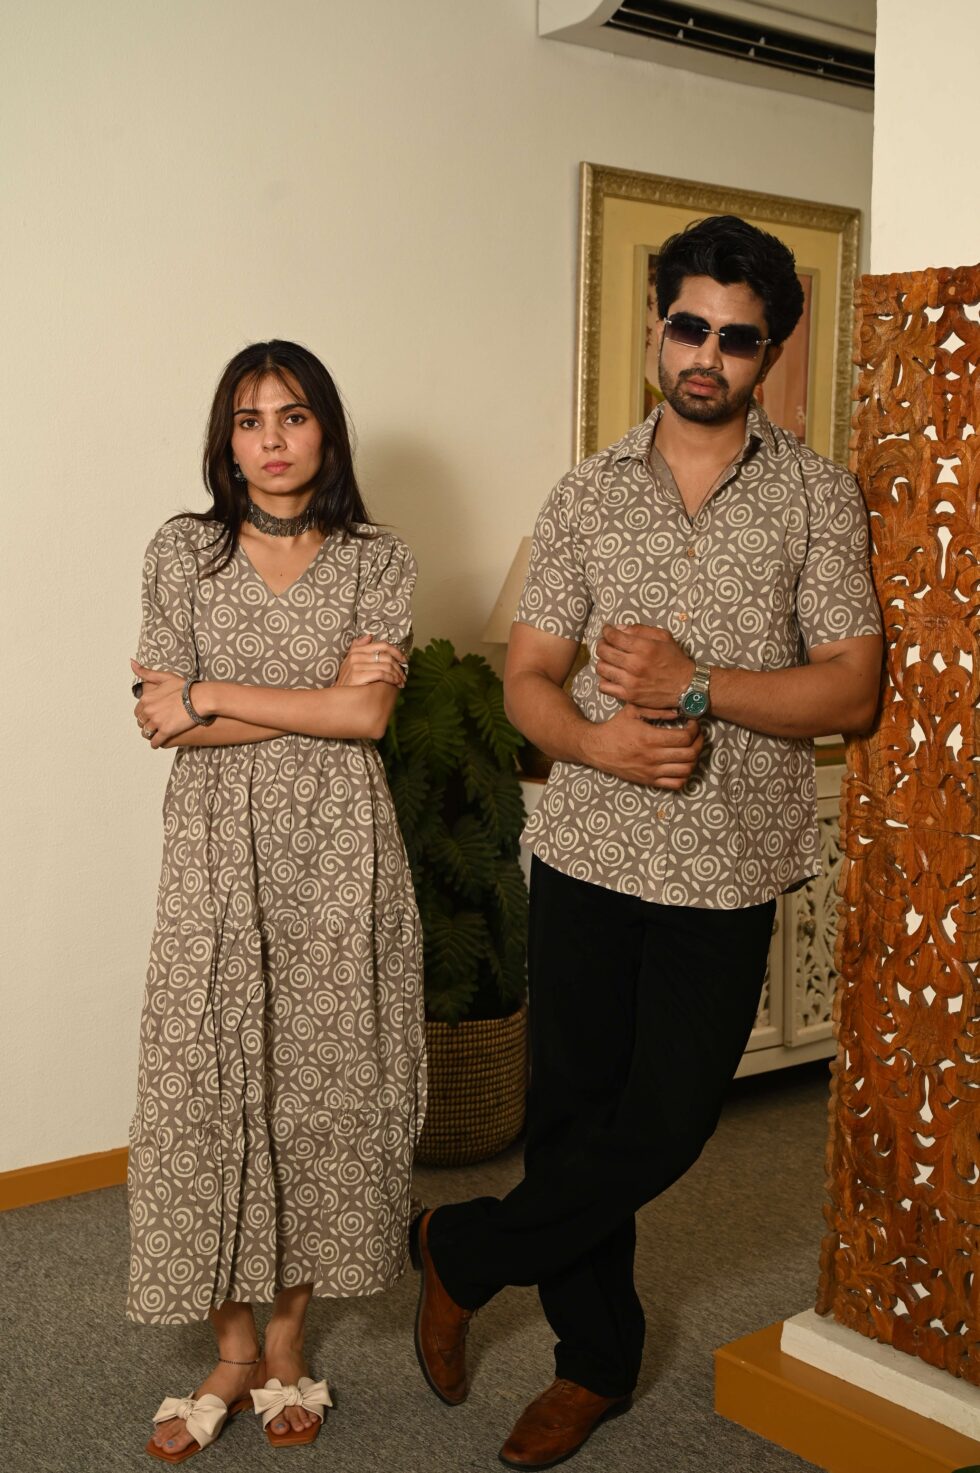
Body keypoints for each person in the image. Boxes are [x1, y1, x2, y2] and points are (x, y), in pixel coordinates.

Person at [410, 215, 883, 1468]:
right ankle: (593, 1366)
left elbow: (848, 692)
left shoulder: (815, 496)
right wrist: (593, 743)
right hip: (586, 854)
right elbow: (527, 676)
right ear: (655, 330)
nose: (706, 356)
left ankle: (462, 1249)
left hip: (727, 865)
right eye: (688, 327)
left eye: (737, 339)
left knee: (667, 1125)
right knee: (571, 1122)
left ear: (767, 355)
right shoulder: (584, 493)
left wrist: (693, 686)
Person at [129, 340, 425, 1461]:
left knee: (319, 1087)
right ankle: (232, 1349)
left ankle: (289, 1343)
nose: (272, 440)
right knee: (206, 1086)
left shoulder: (377, 559)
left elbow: (367, 721)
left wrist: (210, 692)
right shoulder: (183, 550)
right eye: (249, 420)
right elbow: (160, 721)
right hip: (214, 854)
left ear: (326, 430)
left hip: (340, 854)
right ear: (227, 440)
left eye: (292, 416)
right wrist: (310, 698)